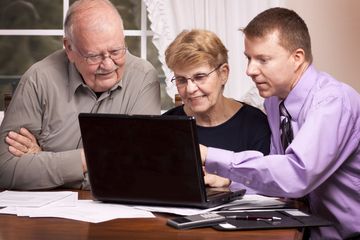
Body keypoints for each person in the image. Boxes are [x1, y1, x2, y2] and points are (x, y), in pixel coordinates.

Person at [200, 7, 360, 240]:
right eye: (249, 58)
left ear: (297, 58)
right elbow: (278, 175)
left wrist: (212, 156)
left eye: (263, 59)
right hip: (306, 231)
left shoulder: (334, 102)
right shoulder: (274, 103)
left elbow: (296, 175)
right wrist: (230, 181)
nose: (250, 70)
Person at [0, 0, 160, 190]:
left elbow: (140, 172)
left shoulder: (143, 78)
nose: (108, 65)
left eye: (116, 51)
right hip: (46, 217)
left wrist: (46, 161)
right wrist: (88, 159)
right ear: (69, 48)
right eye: (94, 56)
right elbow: (5, 170)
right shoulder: (39, 79)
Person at [163, 29, 271, 191]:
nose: (190, 89)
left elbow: (269, 186)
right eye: (181, 80)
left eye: (199, 77)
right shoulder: (167, 126)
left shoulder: (256, 125)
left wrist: (230, 182)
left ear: (223, 74)